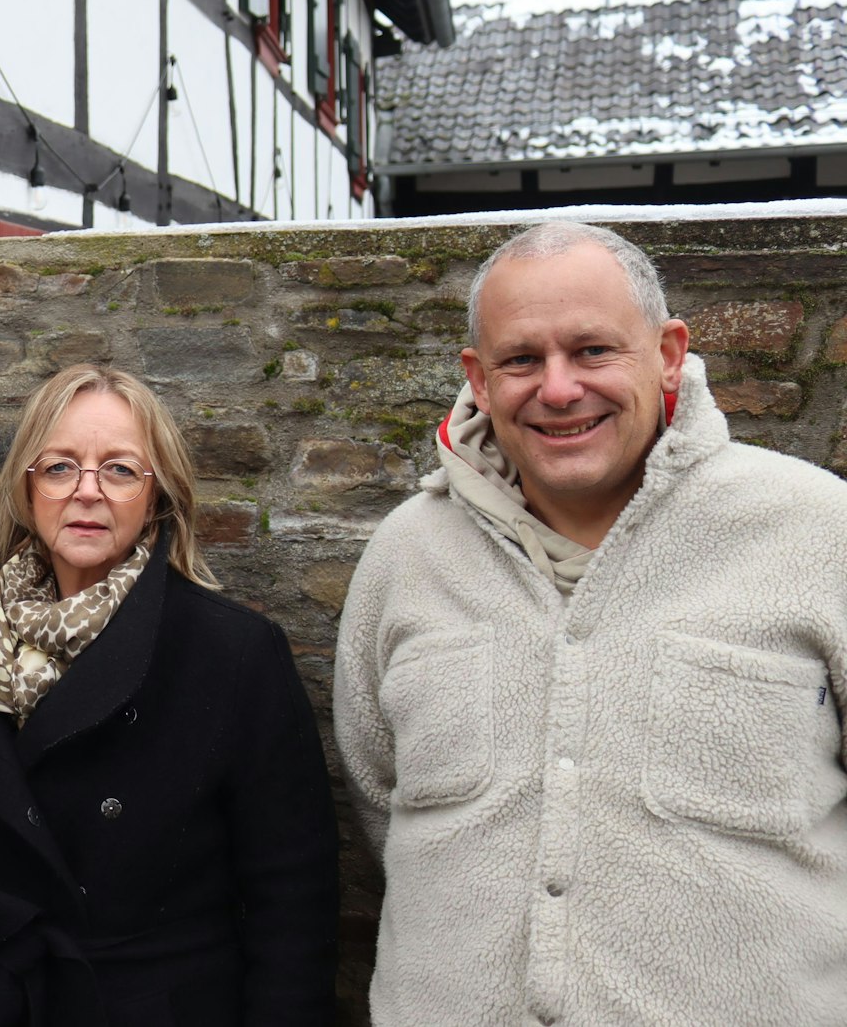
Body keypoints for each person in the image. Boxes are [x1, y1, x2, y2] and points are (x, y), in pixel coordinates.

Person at [337, 221, 847, 1024]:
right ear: (476, 373)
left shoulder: (817, 531)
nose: (560, 388)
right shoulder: (407, 555)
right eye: (521, 359)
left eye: (593, 351)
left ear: (669, 351)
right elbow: (377, 791)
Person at [0, 364, 338, 1026]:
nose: (87, 492)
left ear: (157, 496)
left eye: (120, 470)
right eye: (61, 466)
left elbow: (291, 902)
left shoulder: (232, 652)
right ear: (28, 484)